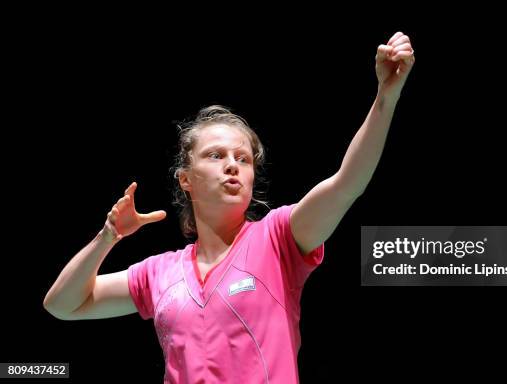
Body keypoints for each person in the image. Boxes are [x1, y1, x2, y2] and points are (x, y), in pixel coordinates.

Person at [43, 31, 415, 383]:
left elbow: (347, 183)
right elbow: (62, 305)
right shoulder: (158, 273)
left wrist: (386, 96)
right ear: (185, 179)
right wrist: (108, 237)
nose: (233, 165)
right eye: (216, 155)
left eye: (243, 158)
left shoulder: (279, 238)